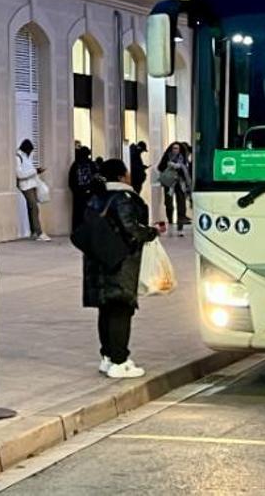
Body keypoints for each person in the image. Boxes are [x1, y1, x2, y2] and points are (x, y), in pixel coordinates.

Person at [83, 158, 159, 379]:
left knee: (106, 309)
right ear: (120, 176)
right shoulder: (122, 197)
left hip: (98, 261)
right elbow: (131, 228)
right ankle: (120, 361)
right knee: (120, 309)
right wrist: (150, 232)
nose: (129, 174)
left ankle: (107, 357)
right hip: (119, 263)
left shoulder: (96, 197)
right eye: (126, 171)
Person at [16, 139, 50, 241]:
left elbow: (28, 170)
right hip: (25, 186)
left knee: (32, 208)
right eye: (30, 151)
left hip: (32, 184)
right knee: (34, 208)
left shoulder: (25, 157)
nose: (30, 153)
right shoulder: (17, 157)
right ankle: (39, 232)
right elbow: (19, 174)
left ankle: (34, 232)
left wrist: (36, 171)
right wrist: (35, 171)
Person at [158, 142, 189, 236]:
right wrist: (168, 166)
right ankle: (170, 220)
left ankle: (180, 224)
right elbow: (160, 167)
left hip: (179, 183)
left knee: (181, 203)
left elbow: (186, 170)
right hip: (169, 183)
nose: (175, 150)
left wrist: (180, 167)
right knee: (168, 203)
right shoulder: (166, 157)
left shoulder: (182, 158)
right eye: (174, 148)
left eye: (177, 148)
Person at [68, 146, 100, 232]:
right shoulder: (91, 164)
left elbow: (71, 181)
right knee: (89, 212)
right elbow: (96, 178)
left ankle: (77, 230)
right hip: (89, 193)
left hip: (78, 194)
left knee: (78, 213)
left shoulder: (75, 164)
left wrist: (76, 191)